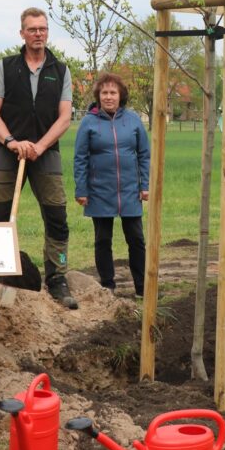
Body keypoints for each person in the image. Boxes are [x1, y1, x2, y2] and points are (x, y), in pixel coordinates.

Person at [0, 7, 77, 308]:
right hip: (9, 154)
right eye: (32, 29)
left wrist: (39, 146)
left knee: (57, 217)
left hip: (46, 154)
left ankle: (57, 277)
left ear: (47, 33)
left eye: (43, 29)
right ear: (22, 33)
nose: (38, 34)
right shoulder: (6, 67)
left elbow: (64, 118)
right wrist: (12, 141)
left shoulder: (60, 70)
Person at [73, 72, 150, 297]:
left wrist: (144, 184)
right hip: (99, 191)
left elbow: (144, 154)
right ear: (98, 96)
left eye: (113, 93)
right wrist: (81, 189)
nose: (108, 97)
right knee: (102, 239)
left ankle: (142, 288)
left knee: (136, 239)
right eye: (104, 93)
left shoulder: (133, 119)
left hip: (129, 191)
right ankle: (108, 287)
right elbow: (80, 158)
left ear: (120, 95)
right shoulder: (88, 122)